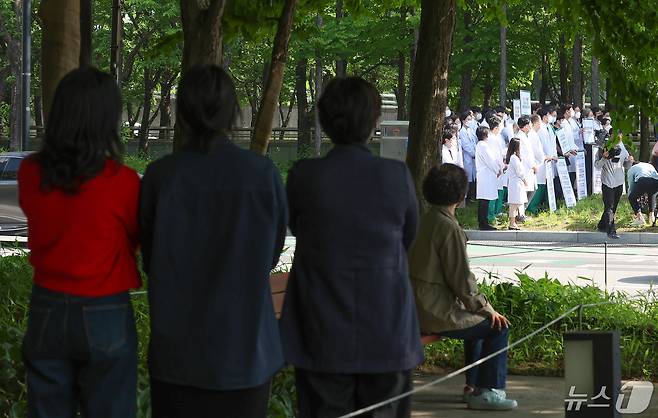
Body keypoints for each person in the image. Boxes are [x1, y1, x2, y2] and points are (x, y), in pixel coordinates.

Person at [139, 65, 288, 418]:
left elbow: (149, 256)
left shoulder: (162, 176)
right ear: (231, 112)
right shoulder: (262, 174)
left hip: (178, 353)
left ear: (183, 112)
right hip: (246, 349)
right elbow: (271, 253)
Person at [279, 77, 423, 418]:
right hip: (387, 328)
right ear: (374, 122)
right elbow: (408, 238)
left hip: (320, 328)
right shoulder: (395, 175)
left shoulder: (304, 175)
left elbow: (297, 228)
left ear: (325, 121)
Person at [18, 68, 141, 417]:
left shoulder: (31, 173)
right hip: (107, 310)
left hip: (47, 308)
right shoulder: (125, 182)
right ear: (106, 120)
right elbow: (135, 241)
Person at [408, 163, 517, 411]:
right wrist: (488, 308)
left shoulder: (423, 221)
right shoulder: (448, 228)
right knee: (497, 327)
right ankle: (488, 391)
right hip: (434, 310)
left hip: (413, 305)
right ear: (460, 194)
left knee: (477, 320)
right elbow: (462, 282)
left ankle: (474, 386)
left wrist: (480, 308)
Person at [595, 134, 633, 239]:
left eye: (620, 135)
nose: (619, 137)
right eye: (616, 135)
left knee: (613, 207)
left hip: (619, 182)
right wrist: (604, 158)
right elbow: (597, 166)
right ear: (611, 136)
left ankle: (602, 225)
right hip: (607, 182)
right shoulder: (603, 147)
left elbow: (626, 165)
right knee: (609, 207)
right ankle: (611, 231)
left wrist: (630, 161)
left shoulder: (623, 147)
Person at [526, 115, 556, 214]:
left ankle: (534, 206)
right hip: (537, 163)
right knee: (537, 186)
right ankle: (531, 207)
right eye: (539, 123)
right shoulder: (532, 135)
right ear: (535, 123)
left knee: (540, 184)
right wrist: (545, 157)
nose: (540, 125)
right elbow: (537, 151)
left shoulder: (534, 134)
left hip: (540, 162)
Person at [475, 126, 502, 230]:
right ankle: (483, 223)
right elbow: (491, 161)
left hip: (485, 175)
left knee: (484, 200)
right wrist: (498, 170)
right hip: (486, 176)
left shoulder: (480, 145)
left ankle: (483, 222)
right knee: (484, 200)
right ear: (486, 135)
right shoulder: (483, 146)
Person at [515, 116, 537, 221]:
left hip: (528, 168)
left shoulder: (524, 136)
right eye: (528, 124)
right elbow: (525, 155)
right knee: (524, 192)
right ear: (524, 126)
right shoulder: (520, 137)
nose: (530, 126)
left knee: (530, 190)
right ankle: (520, 214)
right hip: (525, 168)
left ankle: (521, 212)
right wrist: (533, 165)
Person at [627, 162, 658, 226]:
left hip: (643, 181)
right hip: (656, 181)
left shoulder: (631, 169)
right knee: (652, 194)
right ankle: (652, 217)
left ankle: (640, 219)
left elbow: (631, 186)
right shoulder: (649, 165)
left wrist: (632, 194)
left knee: (631, 197)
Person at [506, 138, 527, 230]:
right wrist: (525, 180)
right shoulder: (514, 158)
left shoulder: (514, 157)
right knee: (514, 204)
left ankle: (516, 220)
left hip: (516, 183)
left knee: (515, 203)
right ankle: (512, 223)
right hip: (516, 183)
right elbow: (519, 172)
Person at [460, 110, 478, 200]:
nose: (470, 121)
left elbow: (474, 142)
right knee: (468, 177)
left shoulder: (471, 130)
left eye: (471, 119)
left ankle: (471, 196)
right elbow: (466, 145)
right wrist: (474, 154)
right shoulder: (462, 132)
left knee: (473, 177)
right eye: (468, 119)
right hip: (467, 157)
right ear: (463, 120)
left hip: (473, 157)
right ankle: (466, 197)